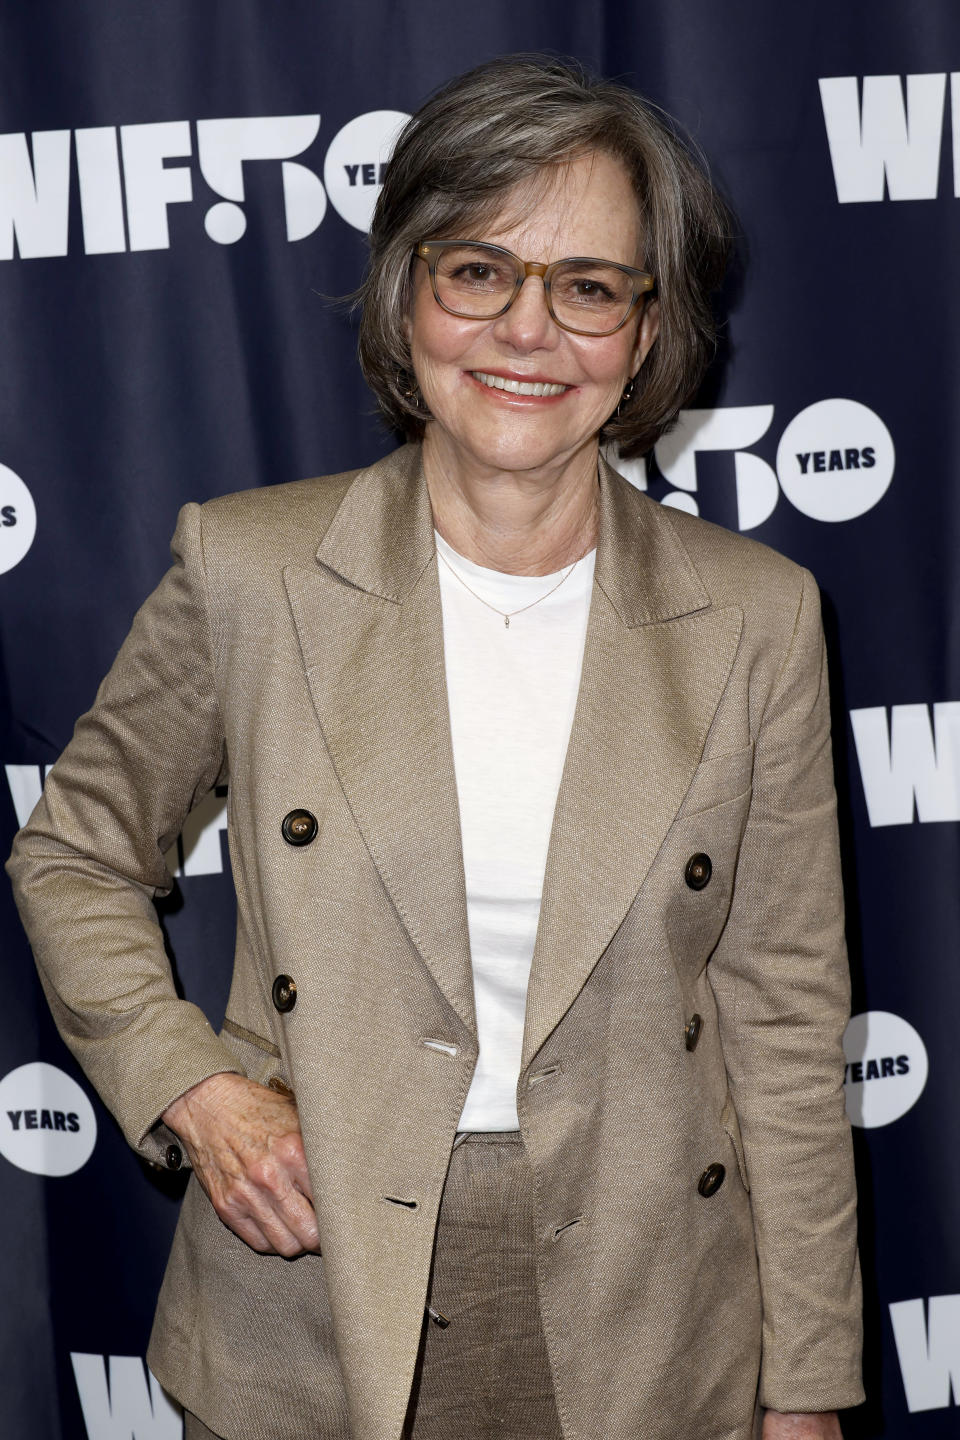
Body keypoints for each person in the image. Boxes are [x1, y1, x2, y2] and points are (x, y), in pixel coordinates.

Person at [7, 54, 862, 1440]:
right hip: (309, 1299)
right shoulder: (252, 572)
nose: (530, 331)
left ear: (645, 335)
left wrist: (807, 1384)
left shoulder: (758, 618)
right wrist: (199, 1092)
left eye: (589, 286)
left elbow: (782, 1014)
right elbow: (74, 856)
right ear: (410, 295)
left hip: (657, 1316)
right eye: (479, 271)